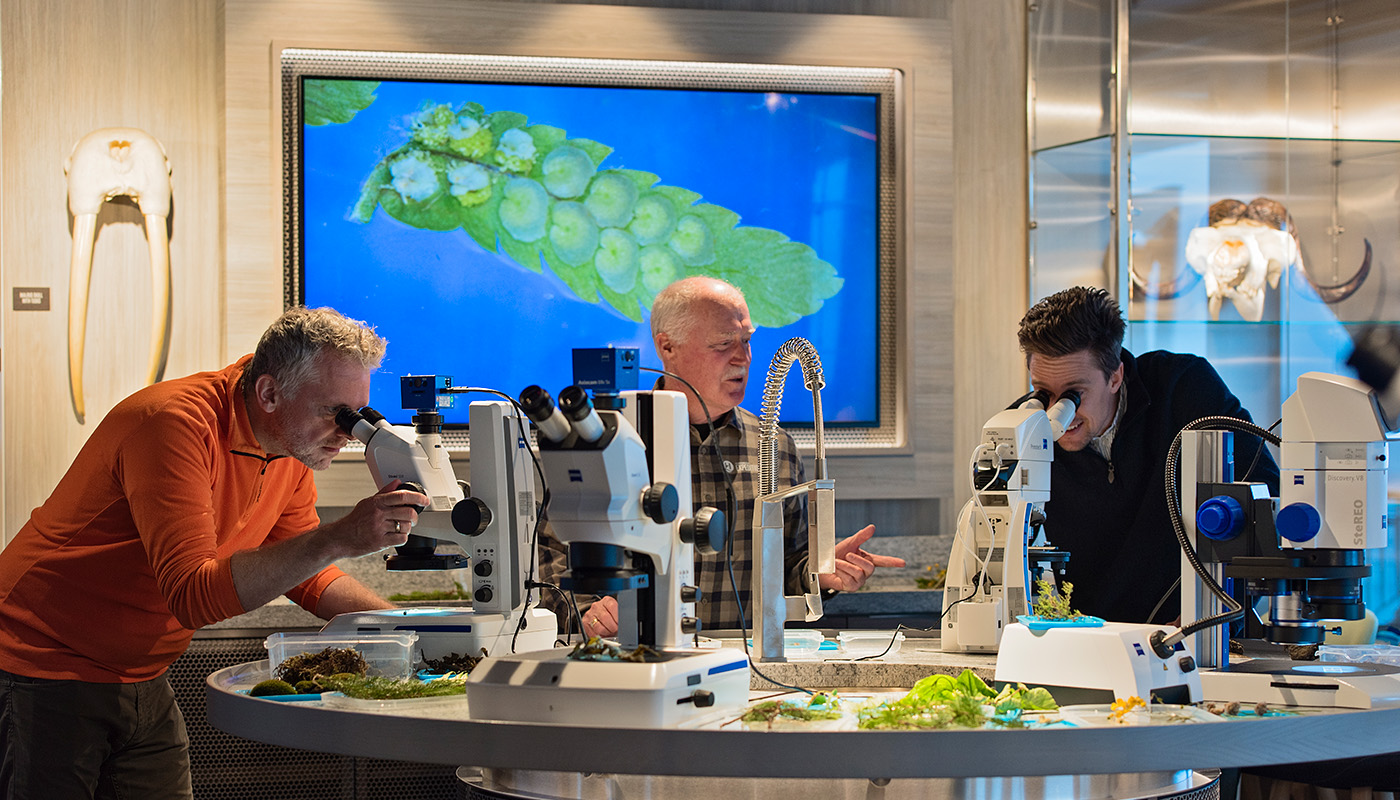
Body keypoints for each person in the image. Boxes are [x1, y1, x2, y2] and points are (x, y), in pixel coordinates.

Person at [0, 306, 426, 800]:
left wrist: (413, 629)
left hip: (143, 672)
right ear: (269, 393)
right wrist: (337, 536)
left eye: (357, 416)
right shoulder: (172, 424)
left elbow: (307, 575)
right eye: (335, 413)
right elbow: (191, 596)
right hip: (43, 661)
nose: (347, 434)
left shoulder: (289, 448)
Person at [540, 276, 905, 637]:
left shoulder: (773, 446)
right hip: (636, 661)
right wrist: (590, 612)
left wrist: (821, 572)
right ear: (667, 347)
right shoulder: (609, 441)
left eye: (746, 341)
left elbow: (786, 570)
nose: (742, 357)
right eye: (723, 343)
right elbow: (552, 558)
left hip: (744, 666)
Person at [1017, 286, 1279, 625]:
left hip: (1194, 636)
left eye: (1073, 395)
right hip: (1089, 644)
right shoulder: (1023, 432)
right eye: (1042, 392)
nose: (1056, 412)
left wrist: (1221, 607)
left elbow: (1264, 498)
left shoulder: (1183, 389)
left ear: (1115, 376)